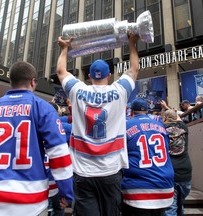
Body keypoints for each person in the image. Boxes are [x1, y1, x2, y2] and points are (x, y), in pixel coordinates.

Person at [0, 61, 74, 216]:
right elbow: (59, 154)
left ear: (11, 81)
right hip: (29, 202)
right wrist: (66, 191)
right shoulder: (43, 107)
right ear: (33, 81)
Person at [56, 33, 139, 216]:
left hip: (82, 171)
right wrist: (132, 44)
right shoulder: (119, 91)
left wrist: (64, 49)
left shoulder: (78, 91)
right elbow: (134, 70)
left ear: (89, 76)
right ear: (109, 76)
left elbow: (61, 72)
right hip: (110, 170)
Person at [121, 98, 174, 216]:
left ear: (132, 111)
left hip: (138, 189)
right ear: (147, 110)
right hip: (165, 185)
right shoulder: (160, 125)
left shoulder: (125, 125)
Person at [162, 109, 192, 216]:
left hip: (171, 171)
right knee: (179, 203)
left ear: (164, 118)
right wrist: (167, 107)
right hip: (186, 172)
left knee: (171, 207)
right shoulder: (184, 127)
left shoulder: (161, 129)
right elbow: (177, 118)